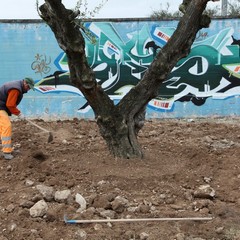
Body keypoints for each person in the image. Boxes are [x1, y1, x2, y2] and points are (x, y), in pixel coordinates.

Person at [0, 77, 35, 160]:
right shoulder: (15, 89)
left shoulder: (17, 86)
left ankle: (7, 149)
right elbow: (10, 105)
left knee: (2, 128)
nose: (29, 89)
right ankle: (7, 152)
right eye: (28, 87)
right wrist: (19, 114)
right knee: (6, 126)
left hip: (1, 107)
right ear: (25, 83)